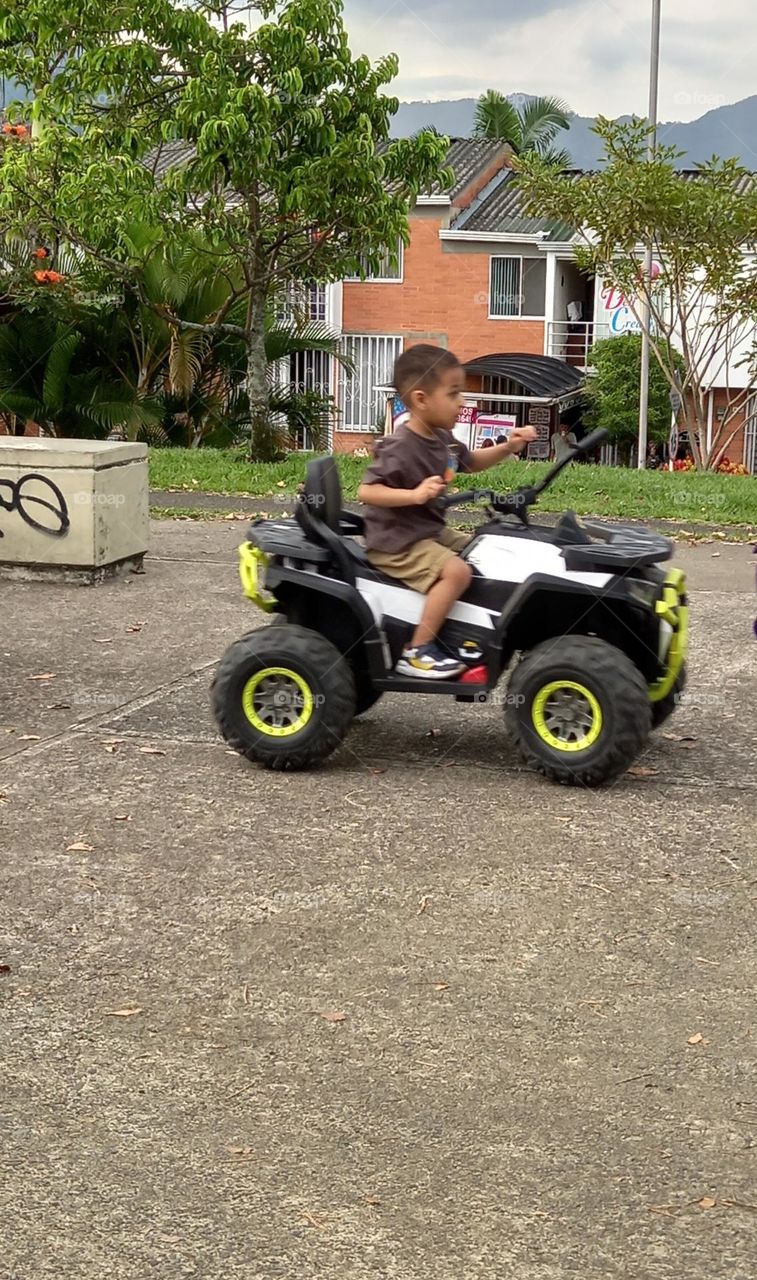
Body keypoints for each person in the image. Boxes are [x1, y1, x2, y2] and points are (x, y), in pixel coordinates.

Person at [358, 344, 537, 679]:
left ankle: (467, 630)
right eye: (454, 393)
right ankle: (417, 650)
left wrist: (510, 447)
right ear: (421, 399)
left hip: (426, 532)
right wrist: (413, 494)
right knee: (457, 572)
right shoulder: (400, 446)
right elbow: (367, 491)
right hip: (397, 542)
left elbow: (471, 463)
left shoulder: (443, 438)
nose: (462, 402)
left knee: (486, 548)